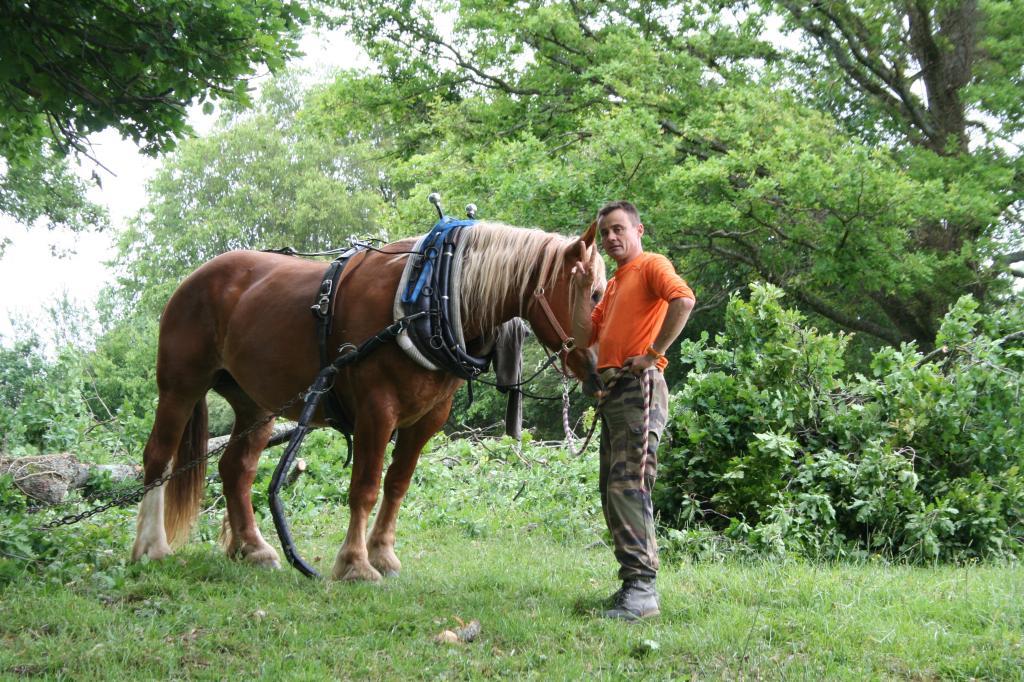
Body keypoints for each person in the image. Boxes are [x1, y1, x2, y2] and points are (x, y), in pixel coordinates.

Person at [571, 200, 695, 621]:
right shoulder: (618, 283)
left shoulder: (652, 265)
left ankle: (642, 595)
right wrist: (581, 287)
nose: (610, 238)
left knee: (629, 484)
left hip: (639, 387)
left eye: (618, 229)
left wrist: (653, 353)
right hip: (615, 395)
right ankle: (631, 586)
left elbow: (684, 300)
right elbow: (583, 336)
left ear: (639, 230)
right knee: (613, 487)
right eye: (605, 232)